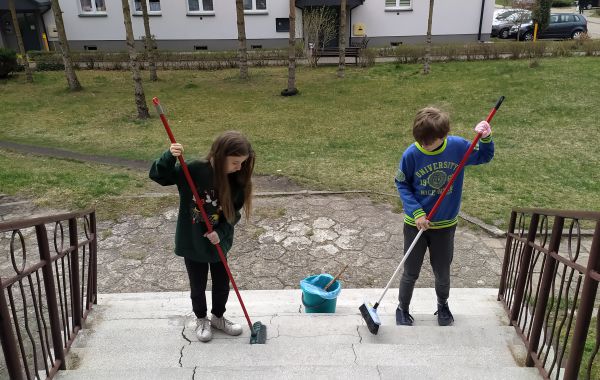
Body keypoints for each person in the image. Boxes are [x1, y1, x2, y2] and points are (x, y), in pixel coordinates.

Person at [149, 131, 255, 342]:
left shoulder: (236, 180)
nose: (239, 168)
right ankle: (201, 319)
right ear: (219, 155)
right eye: (235, 162)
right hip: (193, 241)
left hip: (218, 243)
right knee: (197, 285)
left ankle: (218, 317)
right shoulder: (194, 170)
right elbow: (159, 176)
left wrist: (221, 232)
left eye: (242, 163)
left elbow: (234, 213)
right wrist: (169, 156)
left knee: (222, 284)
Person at [394, 107, 494, 326]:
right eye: (421, 141)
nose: (424, 145)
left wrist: (486, 138)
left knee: (442, 271)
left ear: (443, 136)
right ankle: (402, 308)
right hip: (415, 225)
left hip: (445, 226)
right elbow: (401, 183)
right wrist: (417, 212)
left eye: (429, 142)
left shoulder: (458, 147)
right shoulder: (412, 153)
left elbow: (485, 157)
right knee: (410, 271)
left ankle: (443, 305)